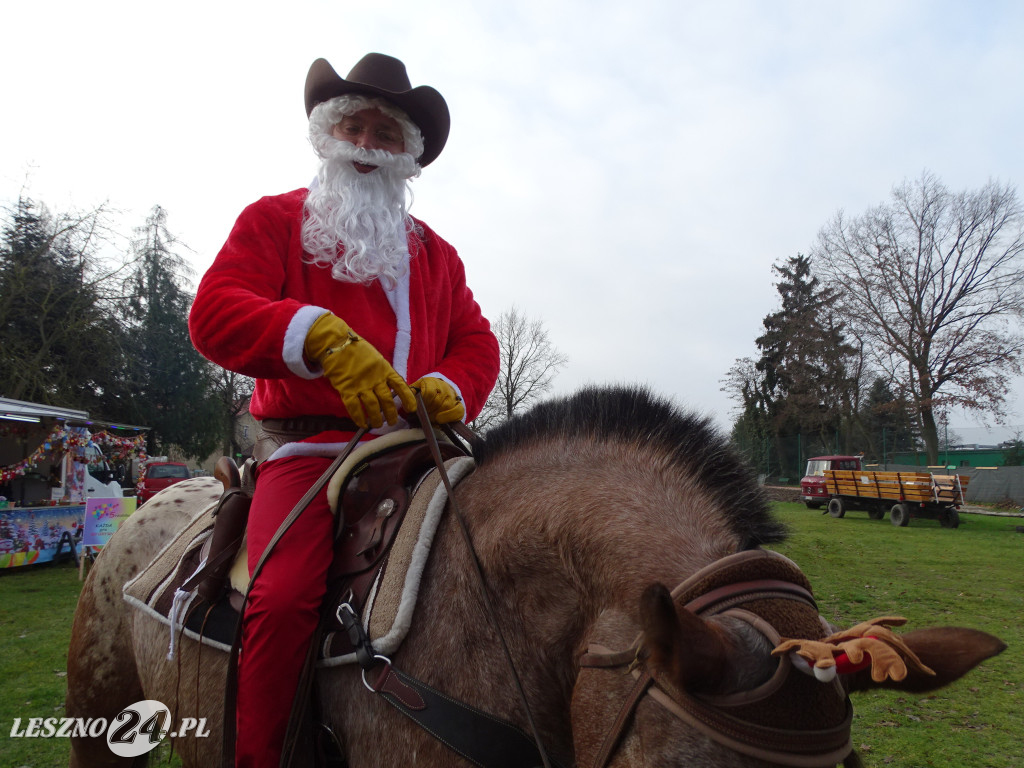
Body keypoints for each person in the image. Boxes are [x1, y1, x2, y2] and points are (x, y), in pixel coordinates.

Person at [188, 52, 499, 768]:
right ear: (327, 135)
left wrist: (453, 386)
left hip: (421, 448)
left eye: (385, 134)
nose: (367, 144)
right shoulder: (272, 221)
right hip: (310, 454)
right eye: (353, 127)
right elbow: (213, 314)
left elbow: (477, 342)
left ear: (407, 156)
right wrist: (315, 335)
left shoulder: (438, 256)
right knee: (283, 598)